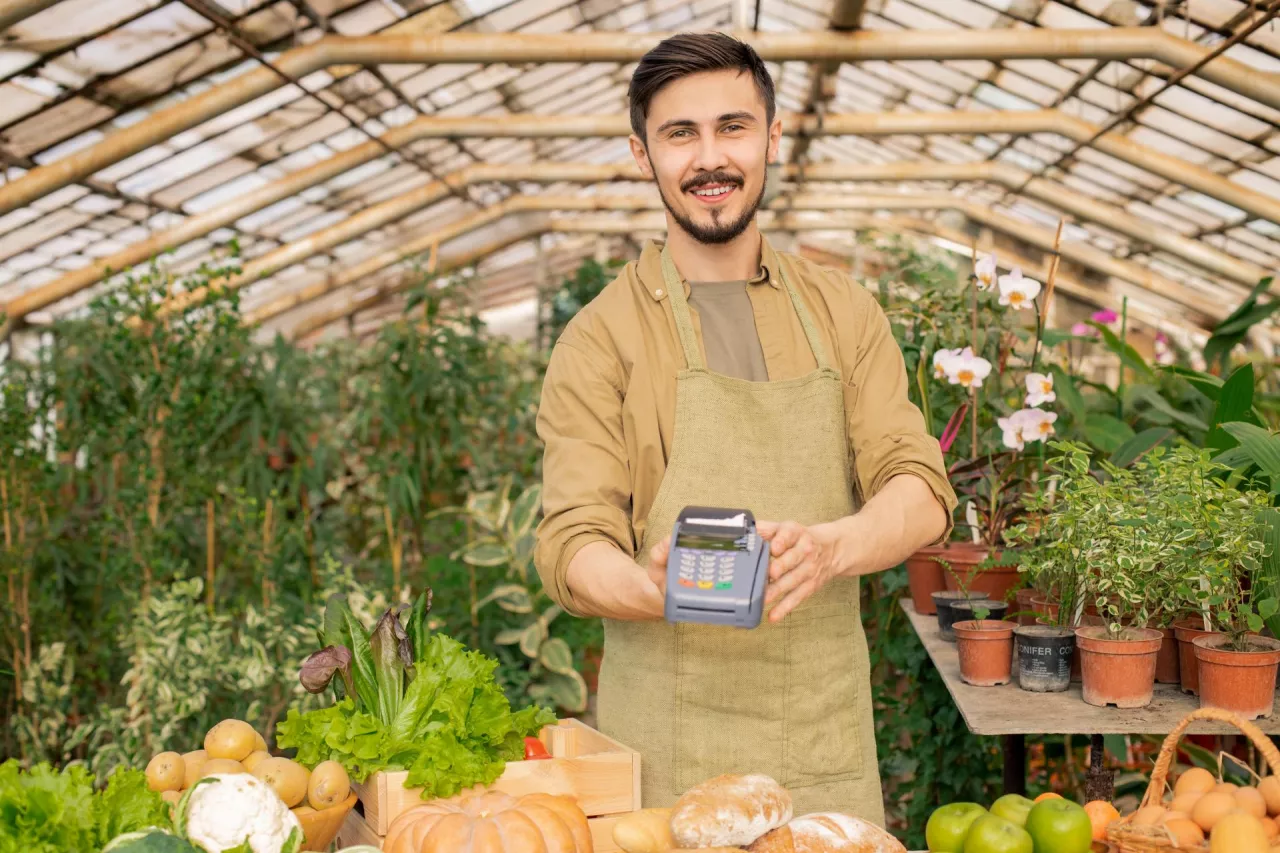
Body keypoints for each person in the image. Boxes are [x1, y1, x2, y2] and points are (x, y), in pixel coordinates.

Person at [533, 31, 957, 822]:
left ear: (772, 137)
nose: (709, 158)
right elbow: (571, 542)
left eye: (731, 126)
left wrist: (837, 545)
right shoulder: (603, 337)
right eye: (679, 134)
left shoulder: (843, 312)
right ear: (641, 153)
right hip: (665, 754)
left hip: (821, 747)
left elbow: (919, 486)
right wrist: (646, 587)